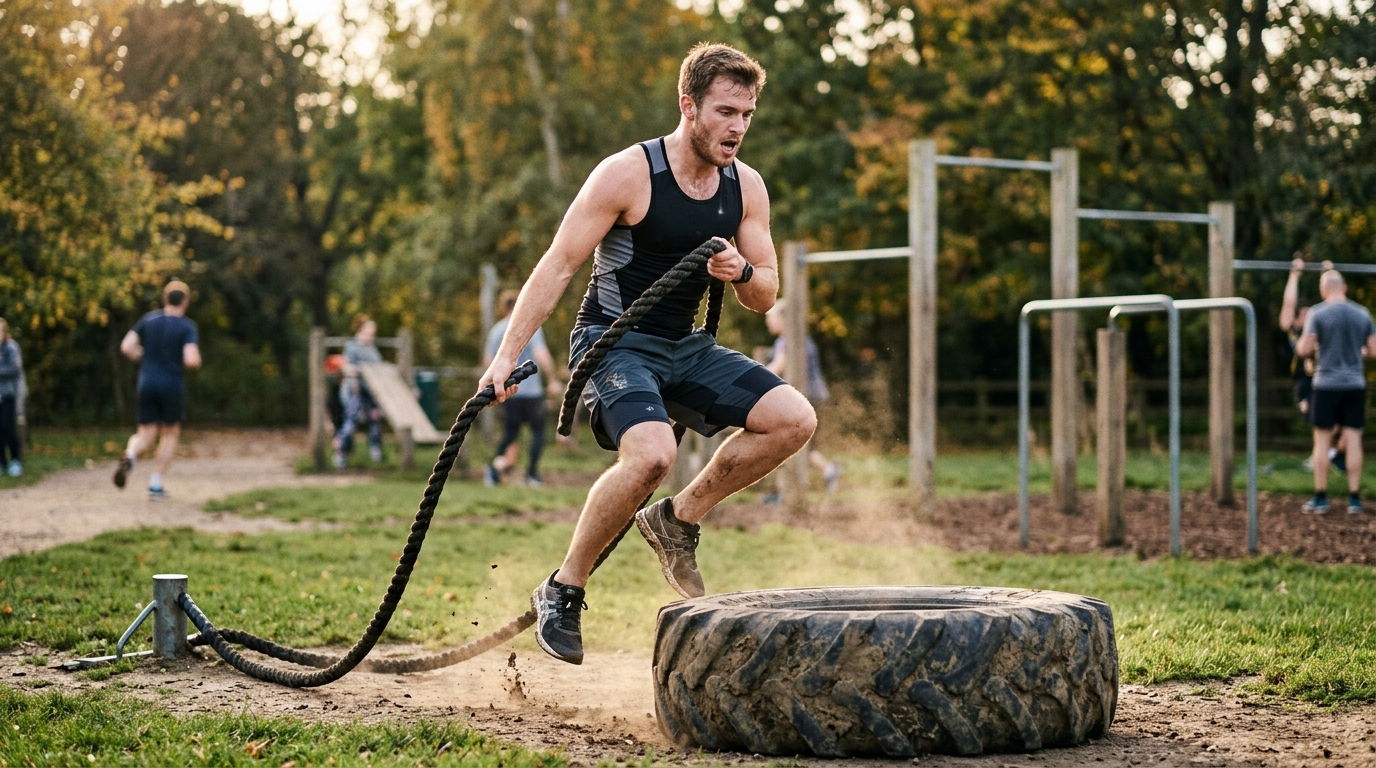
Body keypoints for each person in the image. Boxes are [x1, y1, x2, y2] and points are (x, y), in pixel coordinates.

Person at [479, 43, 815, 665]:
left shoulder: (745, 187)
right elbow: (557, 267)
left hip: (684, 347)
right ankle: (564, 588)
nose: (738, 126)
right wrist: (507, 357)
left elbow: (765, 293)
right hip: (613, 343)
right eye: (725, 111)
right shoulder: (627, 174)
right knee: (653, 454)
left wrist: (741, 270)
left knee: (795, 419)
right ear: (689, 106)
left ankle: (679, 518)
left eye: (747, 112)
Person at [1296, 269, 1376, 515]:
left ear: (1323, 290)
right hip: (1354, 384)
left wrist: (1305, 346)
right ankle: (1353, 499)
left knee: (1322, 441)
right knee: (1353, 440)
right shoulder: (1362, 313)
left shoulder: (1317, 313)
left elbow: (1305, 349)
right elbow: (1373, 351)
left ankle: (1321, 498)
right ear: (1345, 287)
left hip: (1326, 384)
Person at [113, 280, 202, 498]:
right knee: (170, 433)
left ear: (165, 299)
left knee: (145, 433)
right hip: (171, 385)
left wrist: (143, 356)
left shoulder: (148, 320)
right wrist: (190, 361)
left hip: (147, 383)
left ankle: (132, 454)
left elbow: (126, 347)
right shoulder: (186, 326)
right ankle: (155, 483)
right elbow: (191, 359)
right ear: (185, 302)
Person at [484, 290, 561, 487]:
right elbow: (541, 353)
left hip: (508, 393)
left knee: (510, 433)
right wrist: (552, 379)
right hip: (531, 392)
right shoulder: (530, 327)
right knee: (538, 433)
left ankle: (492, 473)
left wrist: (494, 387)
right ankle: (532, 475)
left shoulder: (496, 331)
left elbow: (488, 361)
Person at [764, 301, 840, 493]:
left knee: (791, 444)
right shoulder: (802, 338)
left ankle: (824, 473)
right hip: (814, 396)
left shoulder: (786, 340)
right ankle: (793, 486)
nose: (768, 322)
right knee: (800, 444)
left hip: (804, 398)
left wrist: (749, 377)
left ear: (783, 319)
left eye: (771, 318)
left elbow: (778, 367)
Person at [1280, 257, 1346, 473]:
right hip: (1304, 382)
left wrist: (1329, 276)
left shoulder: (1321, 327)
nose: (1311, 321)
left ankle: (1328, 455)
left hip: (1327, 379)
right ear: (1298, 320)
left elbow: (1335, 305)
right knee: (1319, 421)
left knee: (1340, 423)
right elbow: (1289, 304)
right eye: (1305, 316)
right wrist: (1294, 274)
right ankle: (1325, 455)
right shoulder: (1294, 330)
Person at [334, 314, 385, 468]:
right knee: (351, 420)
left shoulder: (372, 349)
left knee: (375, 419)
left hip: (371, 392)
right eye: (370, 328)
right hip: (355, 389)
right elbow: (348, 367)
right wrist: (354, 384)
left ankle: (376, 453)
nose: (373, 332)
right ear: (362, 329)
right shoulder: (352, 346)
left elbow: (378, 369)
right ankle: (340, 453)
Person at [0, 318, 23, 477]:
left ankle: (16, 460)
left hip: (8, 394)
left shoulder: (11, 347)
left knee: (8, 429)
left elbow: (15, 368)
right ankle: (2, 462)